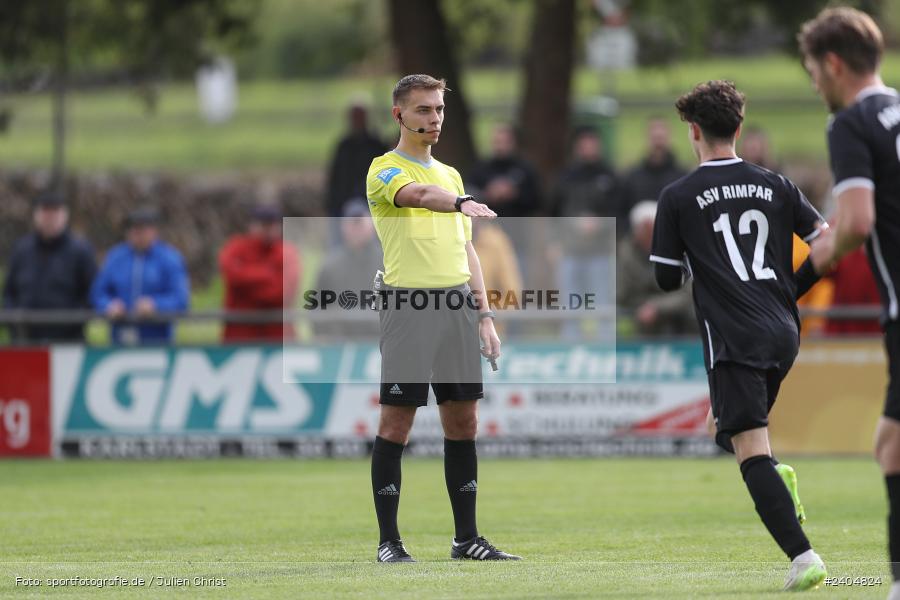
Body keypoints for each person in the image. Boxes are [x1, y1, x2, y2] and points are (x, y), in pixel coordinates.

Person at [650, 80, 828, 590]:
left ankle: (803, 557)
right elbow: (828, 242)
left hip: (735, 336)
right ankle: (777, 475)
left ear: (693, 131)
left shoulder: (679, 195)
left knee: (746, 448)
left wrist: (693, 260)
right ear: (739, 127)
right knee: (723, 428)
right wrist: (790, 289)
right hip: (783, 330)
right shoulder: (776, 185)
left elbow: (664, 277)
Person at [365, 74, 519, 563]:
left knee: (463, 419)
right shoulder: (384, 170)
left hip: (455, 307)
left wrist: (485, 315)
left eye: (438, 110)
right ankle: (390, 542)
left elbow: (466, 249)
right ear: (400, 116)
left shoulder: (451, 174)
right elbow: (418, 198)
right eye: (423, 110)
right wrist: (458, 201)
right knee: (396, 423)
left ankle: (466, 538)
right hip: (408, 308)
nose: (434, 119)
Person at [798, 9, 900, 595]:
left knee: (890, 445)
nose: (815, 84)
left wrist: (797, 280)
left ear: (833, 64)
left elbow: (858, 222)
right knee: (892, 439)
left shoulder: (852, 123)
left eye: (814, 71)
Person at [551, 126, 618, 340]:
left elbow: (620, 212)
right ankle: (571, 346)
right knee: (570, 304)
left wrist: (601, 223)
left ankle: (605, 347)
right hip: (571, 252)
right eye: (584, 143)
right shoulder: (566, 177)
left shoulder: (610, 176)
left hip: (600, 252)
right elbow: (553, 212)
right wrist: (554, 242)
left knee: (602, 303)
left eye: (592, 143)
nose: (588, 148)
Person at [2, 191, 96, 342]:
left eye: (55, 213)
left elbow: (90, 293)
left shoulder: (80, 250)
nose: (50, 219)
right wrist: (14, 320)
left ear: (65, 216)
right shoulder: (22, 249)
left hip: (68, 340)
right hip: (25, 339)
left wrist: (73, 321)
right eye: (45, 213)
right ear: (36, 216)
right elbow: (9, 292)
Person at [91, 207, 190, 345]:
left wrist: (155, 305)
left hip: (158, 339)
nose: (137, 234)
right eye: (133, 230)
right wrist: (108, 305)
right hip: (120, 338)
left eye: (143, 230)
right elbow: (98, 293)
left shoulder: (170, 259)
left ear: (154, 231)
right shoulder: (115, 257)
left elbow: (181, 300)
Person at [219, 204, 300, 343]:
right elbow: (233, 277)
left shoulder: (287, 252)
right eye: (263, 225)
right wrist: (269, 273)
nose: (267, 230)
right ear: (252, 226)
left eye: (271, 225)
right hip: (239, 337)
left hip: (278, 338)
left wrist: (247, 279)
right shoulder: (236, 248)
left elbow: (281, 292)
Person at [616, 200, 694, 337]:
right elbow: (622, 295)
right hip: (638, 311)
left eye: (653, 228)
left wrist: (656, 307)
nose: (650, 235)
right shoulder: (625, 253)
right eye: (645, 229)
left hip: (676, 311)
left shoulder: (679, 250)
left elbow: (688, 293)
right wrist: (643, 307)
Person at [313, 199, 382, 339]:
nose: (357, 229)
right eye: (352, 223)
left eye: (360, 223)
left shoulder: (388, 262)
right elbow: (317, 308)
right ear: (343, 227)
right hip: (340, 343)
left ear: (372, 226)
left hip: (379, 343)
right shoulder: (330, 266)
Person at [621, 117, 687, 233]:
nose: (658, 143)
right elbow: (622, 212)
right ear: (647, 139)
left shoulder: (683, 177)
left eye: (661, 138)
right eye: (654, 138)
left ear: (669, 138)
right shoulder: (632, 177)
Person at [325, 101, 388, 219]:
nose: (357, 120)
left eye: (360, 117)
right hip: (343, 202)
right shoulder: (343, 146)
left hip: (370, 202)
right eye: (354, 117)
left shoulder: (376, 145)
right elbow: (335, 176)